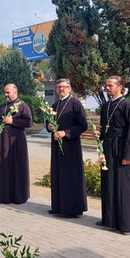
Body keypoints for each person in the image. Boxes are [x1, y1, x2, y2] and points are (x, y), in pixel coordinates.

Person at [97, 76, 130, 235]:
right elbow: (105, 127)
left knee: (124, 186)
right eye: (106, 85)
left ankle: (127, 224)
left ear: (120, 87)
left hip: (122, 149)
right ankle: (110, 220)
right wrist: (100, 134)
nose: (107, 88)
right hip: (108, 149)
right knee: (109, 184)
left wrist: (128, 155)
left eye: (110, 85)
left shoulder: (128, 105)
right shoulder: (106, 106)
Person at [46, 78, 88, 217]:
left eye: (63, 87)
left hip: (70, 145)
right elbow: (48, 123)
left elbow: (83, 125)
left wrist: (65, 132)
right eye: (58, 87)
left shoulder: (75, 103)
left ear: (69, 88)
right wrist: (49, 126)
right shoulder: (55, 104)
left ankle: (71, 209)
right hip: (56, 145)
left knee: (70, 176)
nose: (61, 89)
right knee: (58, 174)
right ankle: (58, 206)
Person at [0, 83, 32, 204]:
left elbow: (28, 122)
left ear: (15, 92)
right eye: (5, 92)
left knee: (17, 167)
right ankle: (5, 195)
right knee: (4, 167)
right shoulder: (2, 106)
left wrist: (12, 121)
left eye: (8, 92)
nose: (5, 95)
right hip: (3, 142)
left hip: (16, 142)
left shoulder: (23, 106)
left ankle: (19, 196)